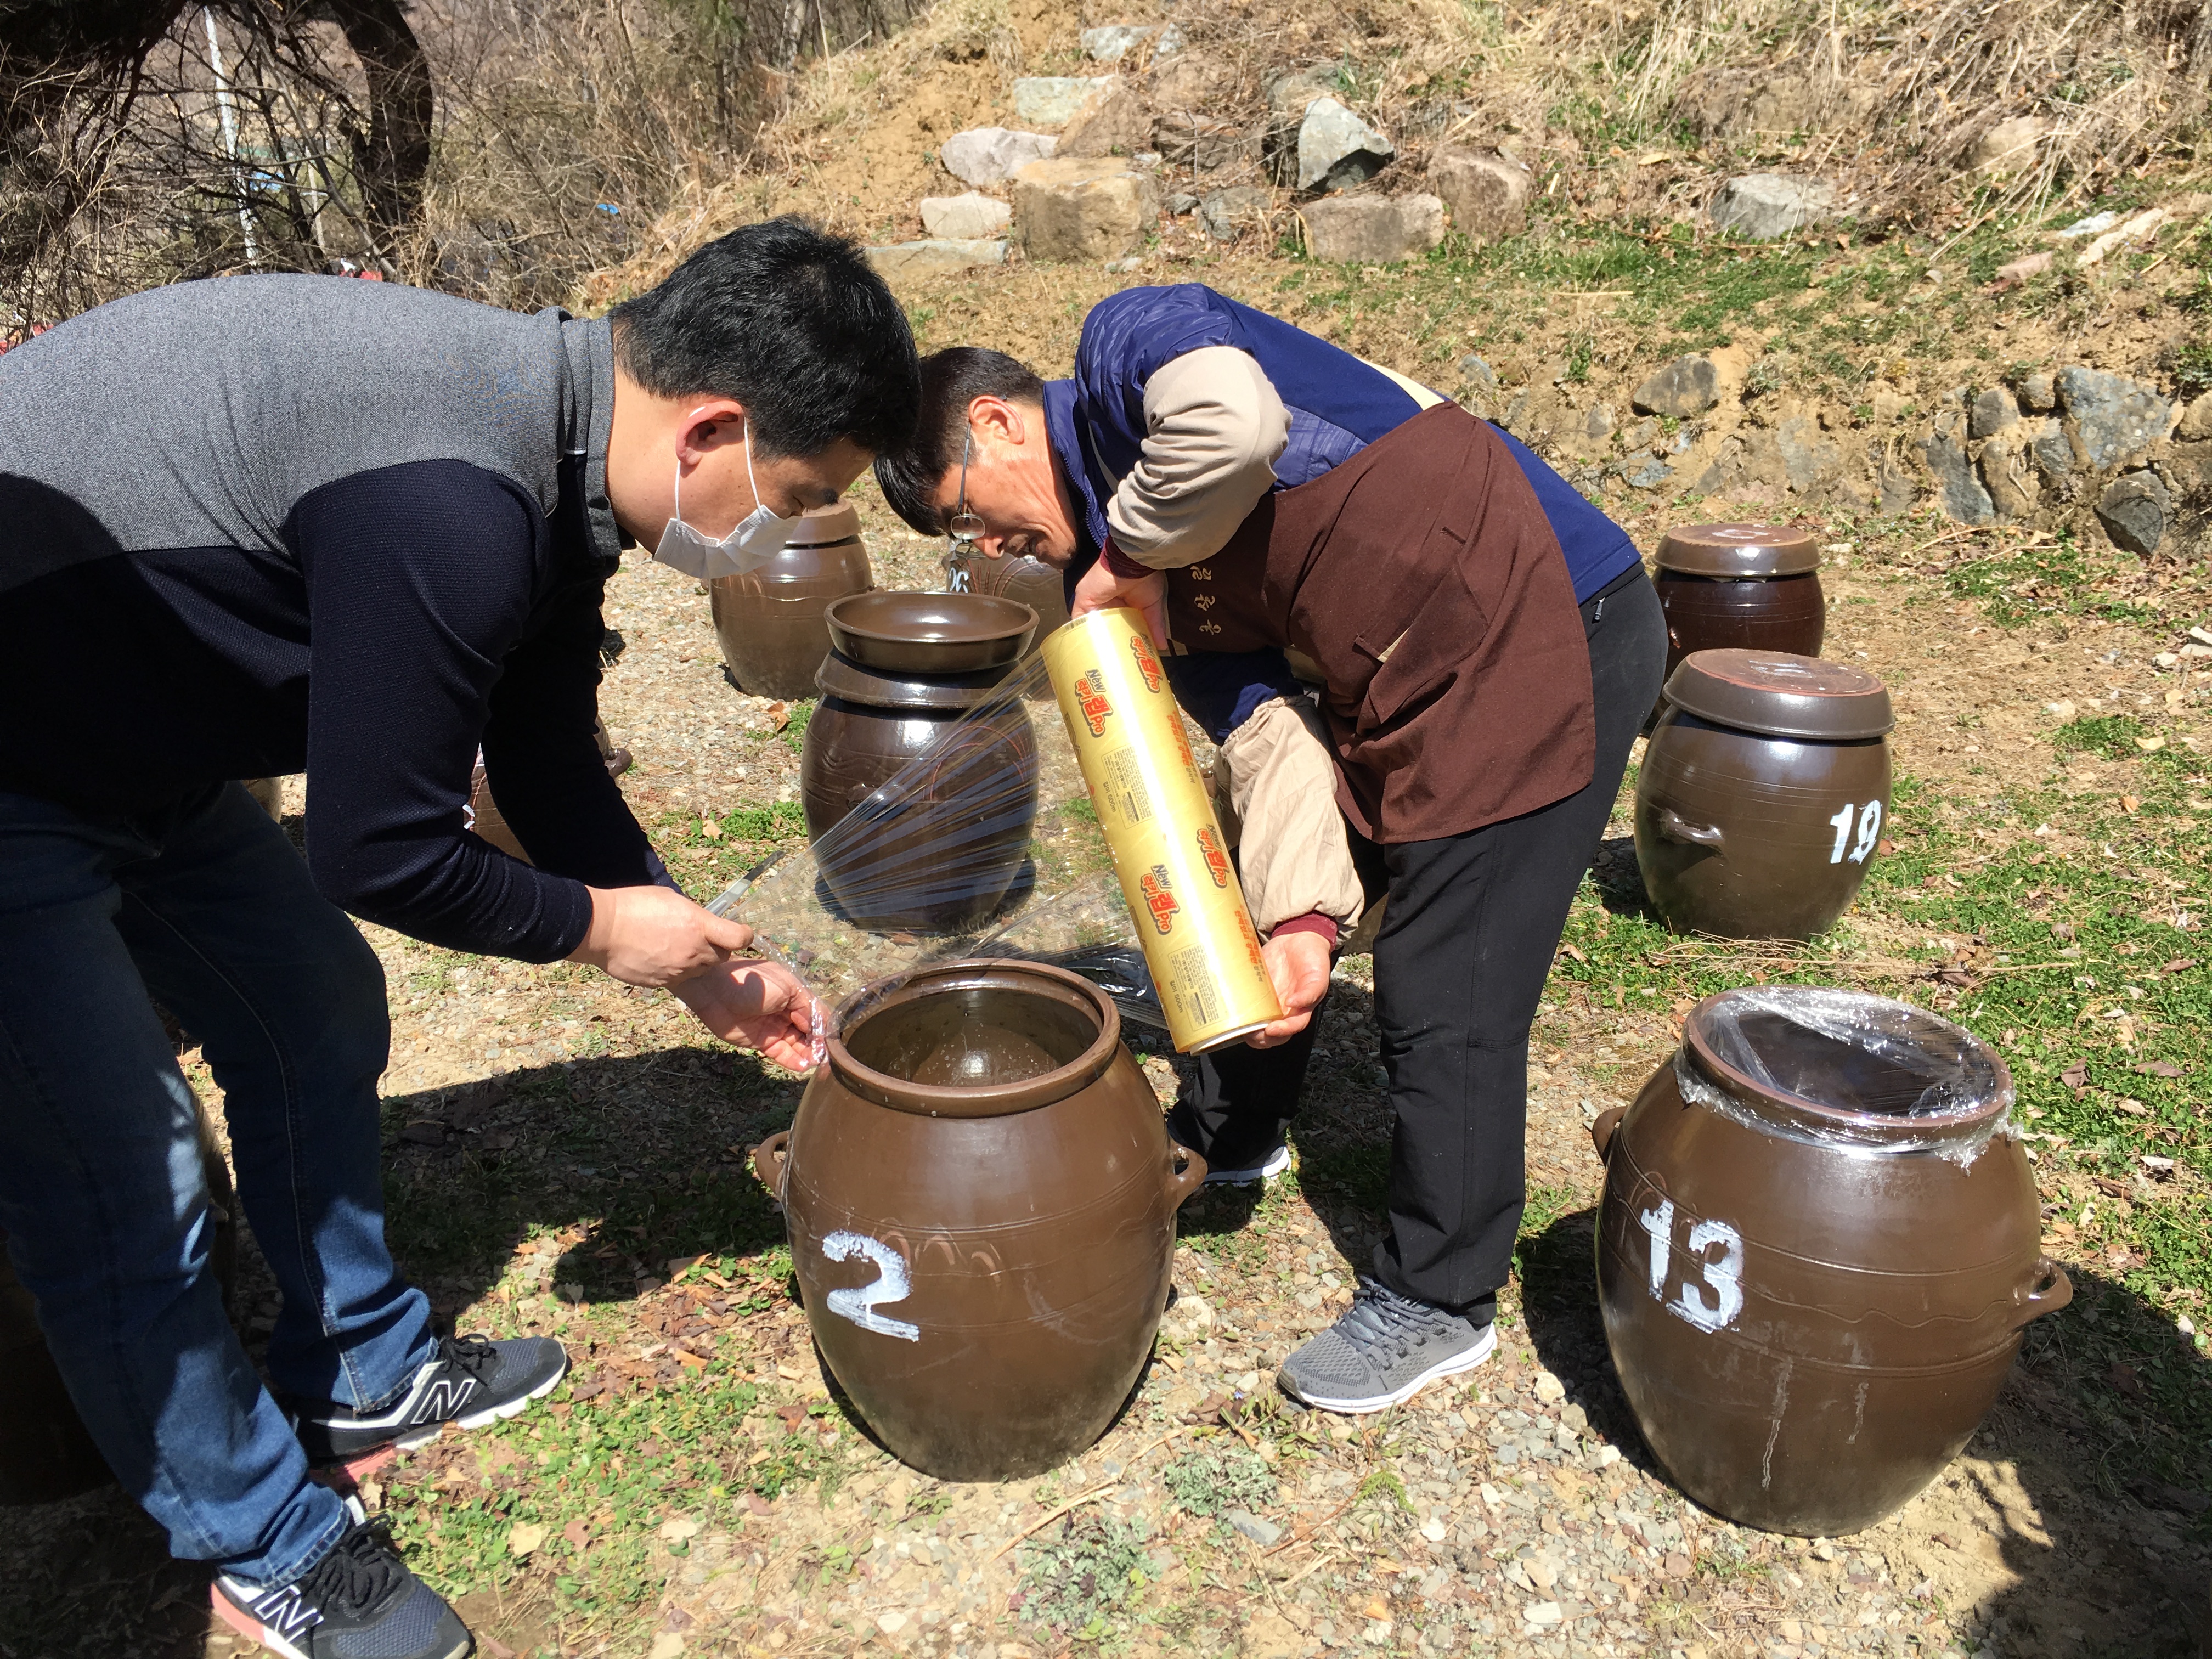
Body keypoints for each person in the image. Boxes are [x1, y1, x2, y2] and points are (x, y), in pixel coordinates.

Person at [0, 217, 917, 1659]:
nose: (780, 533)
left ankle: (359, 1363)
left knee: (312, 1004)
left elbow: (539, 755)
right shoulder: (451, 499)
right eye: (794, 497)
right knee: (123, 1181)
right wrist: (599, 932)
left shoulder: (555, 448)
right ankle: (261, 1539)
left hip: (121, 727)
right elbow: (379, 848)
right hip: (16, 757)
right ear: (712, 431)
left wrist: (706, 963)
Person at [873, 283, 1666, 1417]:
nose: (989, 548)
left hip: (1548, 622)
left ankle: (1440, 1298)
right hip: (1403, 678)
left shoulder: (1128, 351)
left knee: (1451, 977)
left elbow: (1235, 428)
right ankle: (1233, 1131)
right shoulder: (1117, 579)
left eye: (965, 519)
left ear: (995, 422)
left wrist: (1127, 558)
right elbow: (1270, 738)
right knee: (1230, 885)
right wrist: (1298, 920)